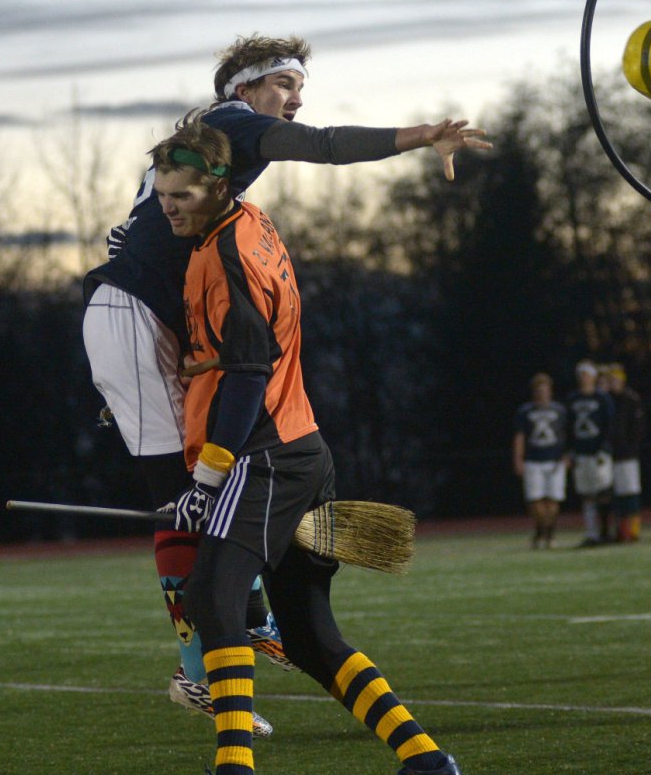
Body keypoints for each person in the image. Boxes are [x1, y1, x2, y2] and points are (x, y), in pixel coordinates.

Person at [80, 34, 490, 723]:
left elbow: (148, 241)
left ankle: (248, 615)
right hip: (132, 320)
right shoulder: (234, 127)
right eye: (284, 84)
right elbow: (325, 146)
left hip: (143, 321)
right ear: (244, 91)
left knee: (214, 474)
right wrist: (421, 136)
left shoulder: (205, 153)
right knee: (180, 493)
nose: (297, 99)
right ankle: (202, 668)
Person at [159, 114, 460, 775]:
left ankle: (234, 767)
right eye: (160, 194)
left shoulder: (225, 256)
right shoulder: (250, 223)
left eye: (179, 195)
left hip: (263, 456)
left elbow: (247, 375)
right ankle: (425, 759)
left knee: (212, 595)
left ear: (214, 186)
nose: (166, 207)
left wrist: (207, 481)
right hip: (301, 449)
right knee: (308, 635)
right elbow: (244, 350)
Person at [511, 373, 570, 549]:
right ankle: (542, 530)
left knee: (553, 499)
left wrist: (567, 455)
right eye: (539, 390)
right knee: (535, 500)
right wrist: (518, 458)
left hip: (555, 460)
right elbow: (520, 436)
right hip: (533, 460)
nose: (542, 393)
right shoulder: (525, 412)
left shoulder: (559, 411)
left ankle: (547, 533)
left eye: (545, 389)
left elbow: (566, 434)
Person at [567, 360, 615, 546]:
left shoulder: (602, 398)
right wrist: (570, 451)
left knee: (603, 492)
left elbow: (610, 424)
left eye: (587, 374)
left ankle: (605, 532)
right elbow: (568, 427)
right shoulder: (572, 399)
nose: (584, 378)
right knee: (586, 494)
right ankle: (592, 533)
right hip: (581, 453)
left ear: (593, 377)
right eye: (581, 375)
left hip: (599, 453)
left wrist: (604, 448)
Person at [605, 363, 646, 543]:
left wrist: (631, 449)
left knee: (630, 493)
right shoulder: (606, 399)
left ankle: (633, 531)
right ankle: (620, 531)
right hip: (610, 456)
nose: (613, 383)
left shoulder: (631, 399)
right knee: (616, 496)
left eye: (615, 379)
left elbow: (637, 429)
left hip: (627, 455)